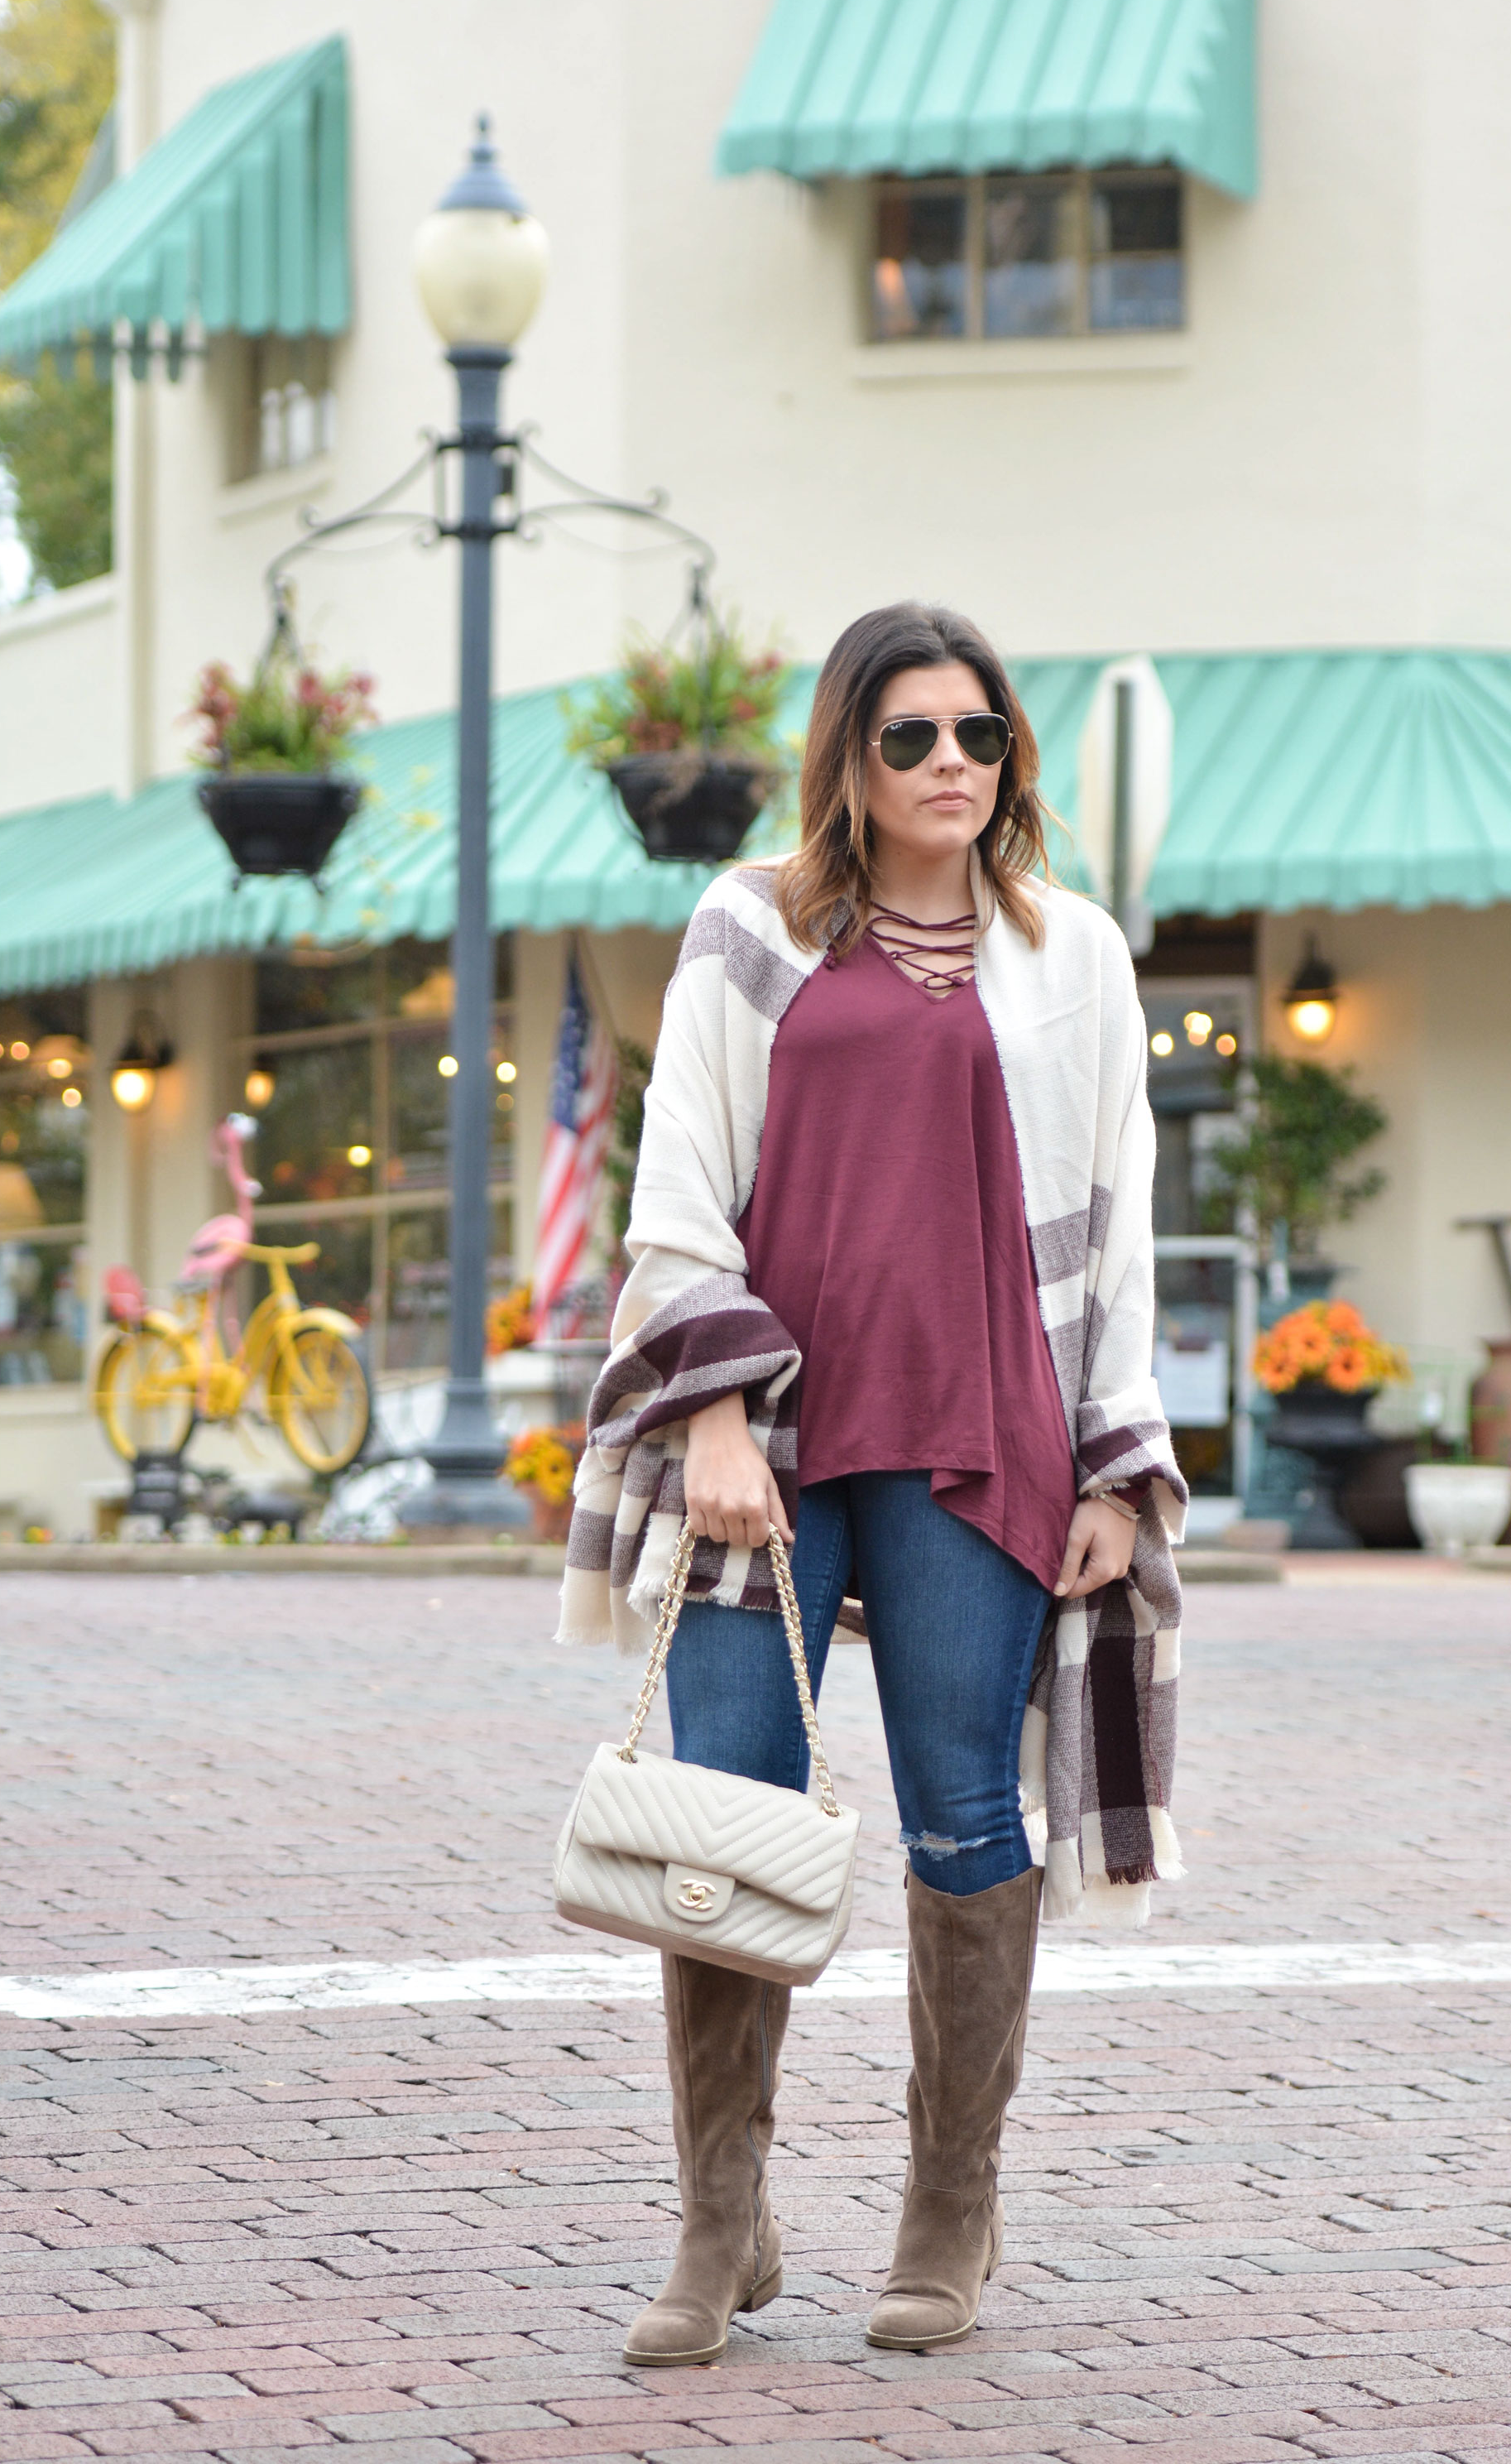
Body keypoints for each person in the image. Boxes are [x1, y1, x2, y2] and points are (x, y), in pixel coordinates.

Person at [559, 601, 1187, 2367]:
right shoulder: (751, 926)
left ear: (1011, 759)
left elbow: (1121, 1228)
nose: (947, 768)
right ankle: (719, 2222)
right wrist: (707, 1420)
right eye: (908, 737)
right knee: (728, 1809)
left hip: (981, 1432)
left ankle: (947, 2206)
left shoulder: (1075, 956)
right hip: (769, 1435)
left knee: (965, 1817)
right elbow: (679, 1167)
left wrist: (1121, 1471)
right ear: (848, 754)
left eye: (976, 737)